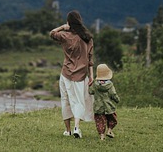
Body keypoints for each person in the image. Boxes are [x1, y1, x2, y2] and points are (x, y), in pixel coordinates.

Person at [49, 10, 94, 139]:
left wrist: (63, 27)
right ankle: (76, 128)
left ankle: (67, 130)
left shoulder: (65, 35)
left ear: (69, 22)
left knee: (66, 100)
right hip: (81, 75)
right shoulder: (88, 38)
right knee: (79, 101)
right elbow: (90, 59)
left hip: (66, 73)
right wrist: (91, 75)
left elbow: (52, 33)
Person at [89, 63, 120, 141]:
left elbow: (91, 92)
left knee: (100, 122)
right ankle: (109, 130)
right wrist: (117, 99)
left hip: (98, 107)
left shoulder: (95, 84)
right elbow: (113, 94)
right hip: (108, 107)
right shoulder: (110, 85)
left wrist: (90, 85)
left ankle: (102, 136)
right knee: (113, 119)